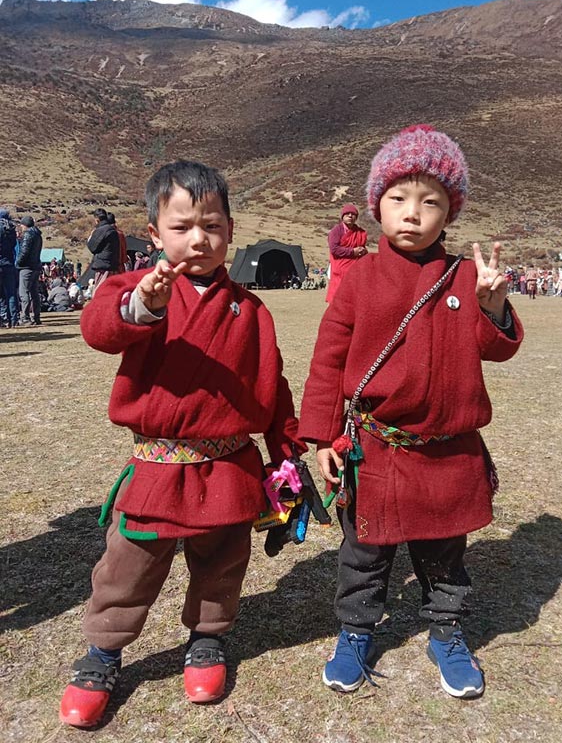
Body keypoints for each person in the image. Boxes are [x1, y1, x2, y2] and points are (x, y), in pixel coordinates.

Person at [59, 160, 305, 728]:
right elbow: (100, 328)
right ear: (154, 234)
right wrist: (143, 306)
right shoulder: (137, 291)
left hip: (229, 467)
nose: (199, 238)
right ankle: (103, 653)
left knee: (221, 563)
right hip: (157, 468)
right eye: (183, 225)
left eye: (213, 225)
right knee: (129, 565)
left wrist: (285, 454)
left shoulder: (253, 311)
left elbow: (273, 389)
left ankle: (208, 640)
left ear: (231, 231)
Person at [299, 125, 524, 700]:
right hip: (377, 448)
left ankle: (446, 632)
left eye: (431, 201)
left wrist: (494, 309)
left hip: (449, 451)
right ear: (377, 207)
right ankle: (355, 631)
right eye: (399, 199)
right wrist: (321, 438)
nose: (413, 213)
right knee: (365, 550)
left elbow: (498, 347)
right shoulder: (359, 281)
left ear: (450, 211)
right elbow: (327, 361)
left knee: (445, 551)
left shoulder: (467, 277)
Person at [326, 204, 367, 303]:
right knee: (337, 297)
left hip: (355, 270)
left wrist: (364, 251)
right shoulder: (336, 231)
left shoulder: (359, 232)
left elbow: (362, 247)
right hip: (339, 269)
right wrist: (352, 252)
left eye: (353, 214)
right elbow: (334, 249)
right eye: (347, 214)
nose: (350, 216)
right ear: (342, 216)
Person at [16, 215, 43, 326]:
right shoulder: (38, 235)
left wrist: (18, 263)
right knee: (34, 293)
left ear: (24, 225)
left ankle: (25, 317)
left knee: (24, 292)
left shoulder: (28, 235)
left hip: (26, 267)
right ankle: (36, 316)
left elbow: (24, 252)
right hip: (36, 266)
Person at [87, 209, 121, 295]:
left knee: (100, 291)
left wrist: (91, 236)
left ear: (97, 219)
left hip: (103, 265)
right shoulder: (113, 230)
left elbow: (92, 247)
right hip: (113, 264)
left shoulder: (101, 230)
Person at [0, 208, 19, 328]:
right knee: (11, 293)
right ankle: (14, 319)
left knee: (1, 294)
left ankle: (3, 318)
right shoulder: (11, 228)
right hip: (9, 263)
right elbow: (14, 246)